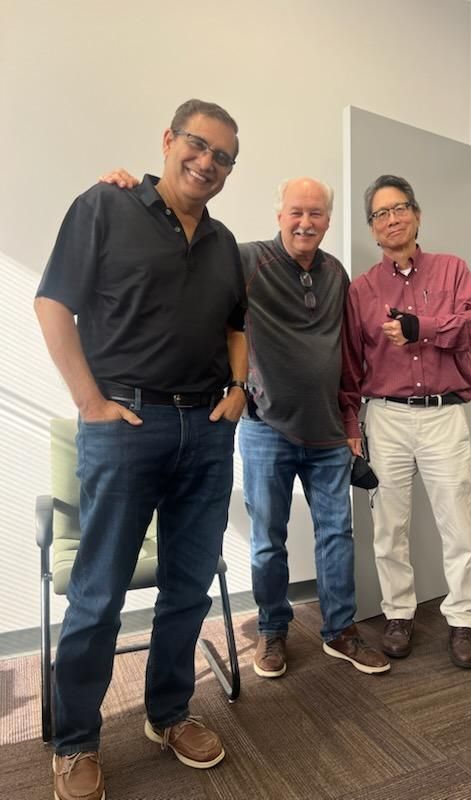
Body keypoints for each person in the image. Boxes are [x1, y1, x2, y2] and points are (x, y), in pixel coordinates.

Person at [35, 99, 247, 800]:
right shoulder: (106, 204)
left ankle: (169, 713)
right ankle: (75, 741)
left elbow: (237, 325)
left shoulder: (223, 243)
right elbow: (53, 303)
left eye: (223, 157)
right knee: (97, 595)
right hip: (126, 426)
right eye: (198, 144)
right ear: (168, 140)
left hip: (206, 430)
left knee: (188, 586)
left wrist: (238, 389)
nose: (208, 162)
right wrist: (89, 403)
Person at [98, 172, 389, 678]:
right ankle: (273, 629)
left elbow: (345, 353)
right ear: (279, 215)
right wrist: (129, 195)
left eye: (315, 213)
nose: (305, 222)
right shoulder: (247, 259)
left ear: (328, 220)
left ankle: (340, 630)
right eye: (296, 212)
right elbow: (189, 269)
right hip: (265, 429)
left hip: (327, 432)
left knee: (337, 535)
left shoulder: (337, 273)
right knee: (268, 539)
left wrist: (350, 420)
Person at [341, 174, 471, 670]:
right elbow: (351, 363)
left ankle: (463, 620)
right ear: (372, 228)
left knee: (458, 524)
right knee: (389, 527)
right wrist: (351, 424)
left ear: (417, 215)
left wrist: (421, 328)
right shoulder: (361, 289)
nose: (392, 219)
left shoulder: (452, 270)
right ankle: (398, 614)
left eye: (400, 208)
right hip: (386, 419)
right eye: (381, 214)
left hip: (444, 415)